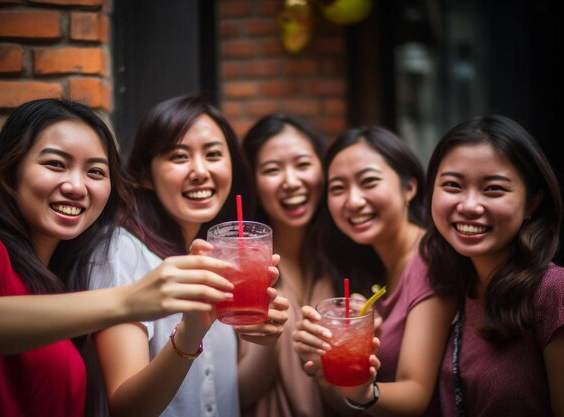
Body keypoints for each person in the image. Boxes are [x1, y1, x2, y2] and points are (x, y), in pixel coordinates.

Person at [0, 98, 236, 417]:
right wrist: (130, 299)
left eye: (95, 171)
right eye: (55, 164)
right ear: (11, 171)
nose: (77, 186)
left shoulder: (55, 280)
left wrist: (193, 332)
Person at [83, 95, 289, 417]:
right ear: (145, 175)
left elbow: (232, 396)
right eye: (179, 157)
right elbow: (126, 408)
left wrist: (267, 341)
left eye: (214, 154)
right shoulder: (120, 252)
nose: (200, 171)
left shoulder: (221, 258)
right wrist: (190, 334)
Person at [293, 127, 455, 415]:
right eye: (338, 188)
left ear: (410, 188)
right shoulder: (370, 267)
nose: (353, 201)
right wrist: (324, 359)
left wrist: (364, 391)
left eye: (369, 182)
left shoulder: (430, 259)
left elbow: (415, 394)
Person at [421, 115, 564, 417]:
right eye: (452, 185)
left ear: (532, 203)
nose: (470, 205)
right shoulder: (451, 285)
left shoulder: (554, 292)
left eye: (494, 189)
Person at [240, 113, 340, 417]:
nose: (291, 181)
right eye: (272, 169)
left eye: (303, 164)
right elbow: (236, 394)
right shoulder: (240, 268)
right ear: (252, 182)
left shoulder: (348, 259)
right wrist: (267, 343)